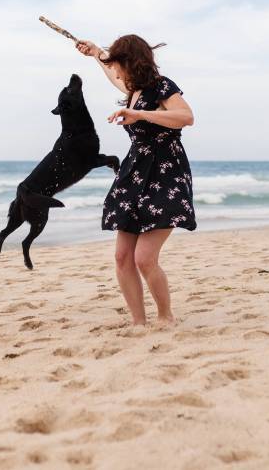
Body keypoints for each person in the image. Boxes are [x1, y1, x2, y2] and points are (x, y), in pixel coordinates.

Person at [75, 34, 196, 326]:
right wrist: (95, 54)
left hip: (166, 172)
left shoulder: (161, 86)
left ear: (133, 62)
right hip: (135, 173)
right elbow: (112, 76)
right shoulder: (133, 90)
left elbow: (186, 117)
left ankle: (166, 317)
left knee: (144, 258)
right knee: (121, 257)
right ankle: (138, 322)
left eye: (119, 64)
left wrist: (138, 113)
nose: (116, 70)